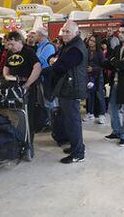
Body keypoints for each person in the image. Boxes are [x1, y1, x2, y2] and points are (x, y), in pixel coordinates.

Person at [47, 20, 87, 163]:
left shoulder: (76, 48)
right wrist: (54, 61)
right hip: (66, 88)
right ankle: (76, 146)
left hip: (72, 89)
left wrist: (55, 62)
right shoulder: (68, 46)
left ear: (76, 33)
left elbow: (60, 66)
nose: (64, 34)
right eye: (63, 31)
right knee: (69, 121)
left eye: (67, 31)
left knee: (73, 121)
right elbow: (50, 59)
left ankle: (78, 153)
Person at [3, 31, 41, 145]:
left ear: (19, 41)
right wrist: (6, 76)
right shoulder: (10, 53)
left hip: (26, 87)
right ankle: (17, 138)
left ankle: (28, 141)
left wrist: (27, 84)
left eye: (12, 44)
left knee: (27, 115)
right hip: (13, 86)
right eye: (8, 44)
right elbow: (6, 66)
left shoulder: (28, 52)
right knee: (14, 113)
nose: (10, 47)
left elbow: (37, 67)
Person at [83, 35, 106, 124]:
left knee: (99, 95)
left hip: (97, 77)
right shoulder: (86, 51)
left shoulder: (99, 52)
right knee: (89, 96)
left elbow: (103, 66)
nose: (90, 42)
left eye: (93, 41)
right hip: (88, 77)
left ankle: (102, 114)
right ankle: (89, 113)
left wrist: (93, 69)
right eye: (90, 40)